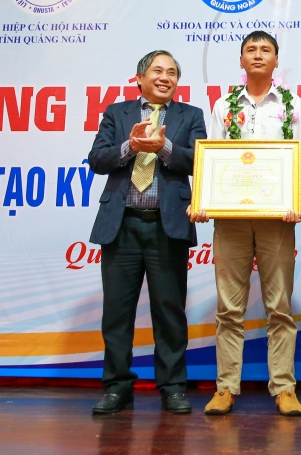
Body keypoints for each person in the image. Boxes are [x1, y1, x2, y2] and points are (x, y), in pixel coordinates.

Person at [189, 30, 301, 417]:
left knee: (280, 307)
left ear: (276, 61)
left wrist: (298, 201)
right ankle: (226, 387)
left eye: (265, 50)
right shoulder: (223, 106)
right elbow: (212, 159)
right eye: (251, 50)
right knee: (229, 307)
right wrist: (204, 200)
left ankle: (284, 387)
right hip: (232, 219)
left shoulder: (293, 106)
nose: (258, 55)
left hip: (277, 219)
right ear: (241, 60)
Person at [87, 50, 207, 415]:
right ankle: (117, 387)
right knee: (116, 313)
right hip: (121, 225)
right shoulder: (117, 113)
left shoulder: (191, 115)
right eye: (157, 71)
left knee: (169, 312)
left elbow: (200, 160)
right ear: (139, 78)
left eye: (172, 73)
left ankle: (172, 387)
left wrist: (164, 147)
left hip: (166, 225)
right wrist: (131, 146)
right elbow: (97, 159)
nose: (165, 77)